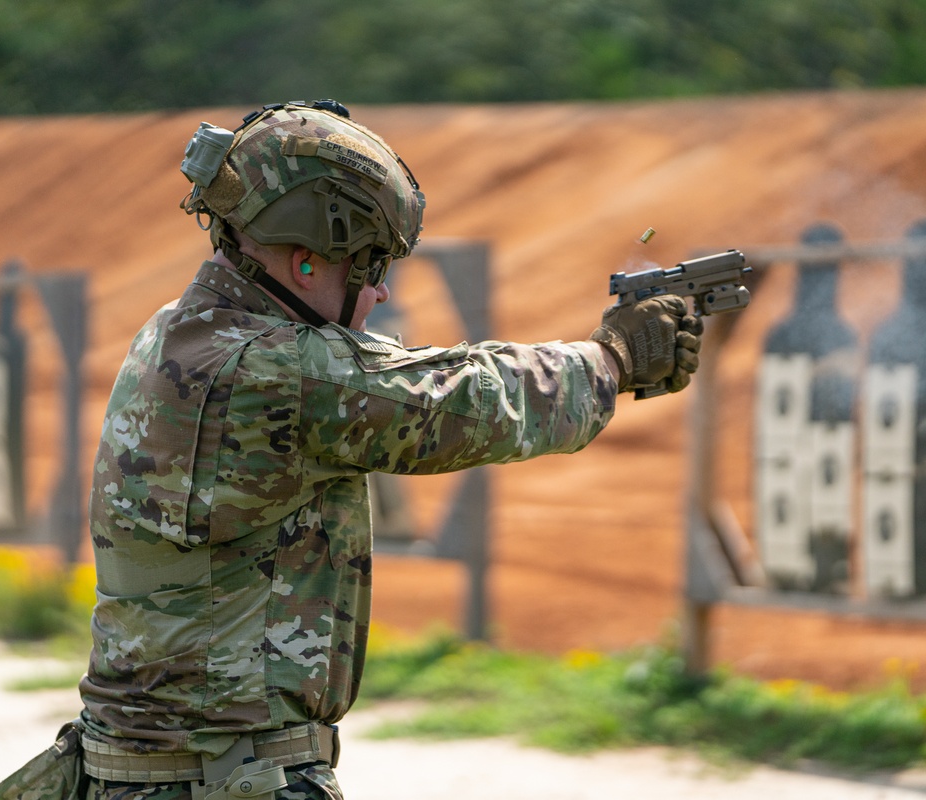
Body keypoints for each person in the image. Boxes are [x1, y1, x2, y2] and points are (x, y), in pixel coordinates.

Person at [76, 99, 703, 800]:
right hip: (221, 777)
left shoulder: (181, 333)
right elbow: (459, 401)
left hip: (157, 772)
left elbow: (398, 373)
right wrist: (614, 358)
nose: (376, 291)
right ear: (306, 258)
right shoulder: (278, 372)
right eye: (369, 266)